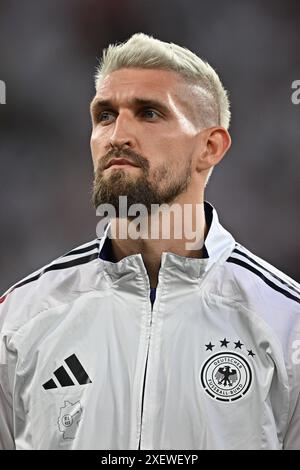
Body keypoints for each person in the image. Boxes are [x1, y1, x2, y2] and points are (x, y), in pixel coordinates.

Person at [0, 33, 299, 451]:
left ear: (210, 147)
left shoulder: (287, 324)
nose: (117, 134)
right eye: (105, 115)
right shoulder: (20, 319)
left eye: (149, 113)